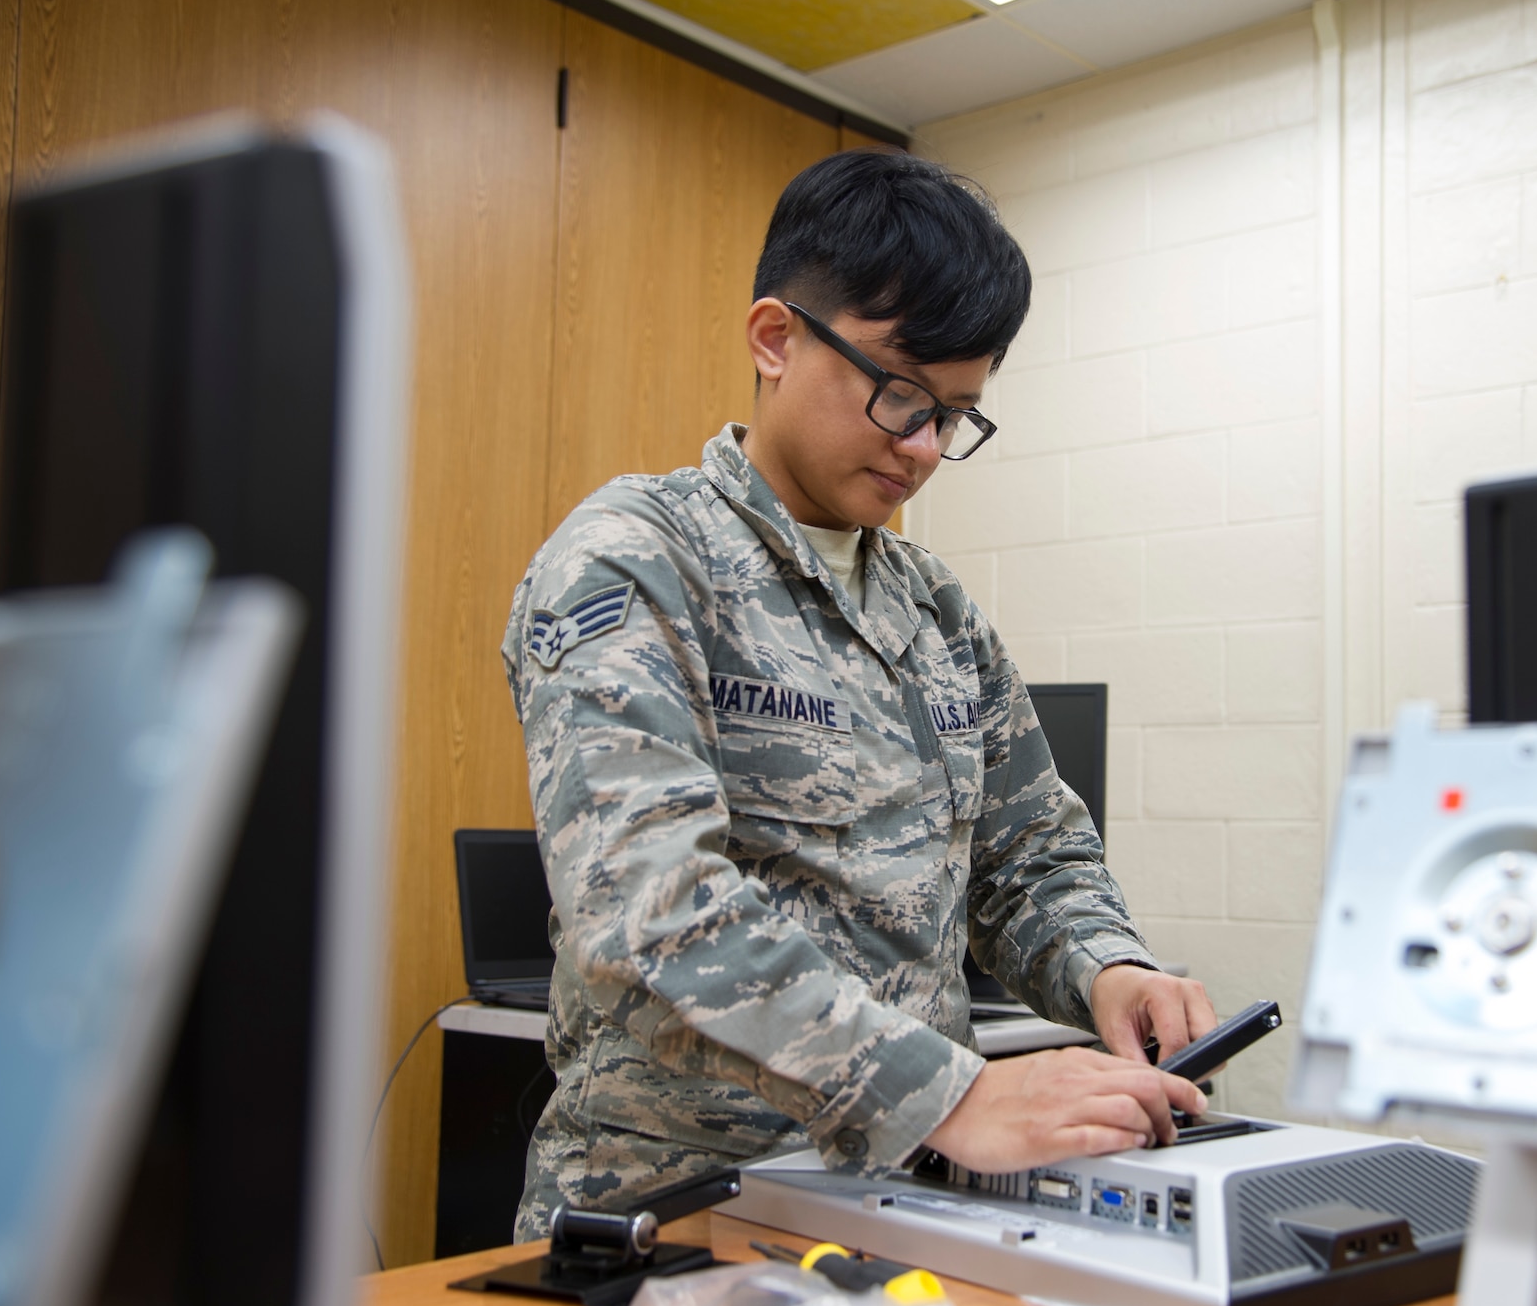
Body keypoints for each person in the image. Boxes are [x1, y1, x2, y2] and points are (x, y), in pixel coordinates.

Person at [502, 148, 1215, 1237]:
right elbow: (646, 918)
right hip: (670, 1218)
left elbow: (1027, 856)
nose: (923, 447)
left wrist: (1106, 965)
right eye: (898, 392)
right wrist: (952, 1092)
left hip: (904, 1204)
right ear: (776, 339)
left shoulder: (934, 609)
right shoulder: (632, 560)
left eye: (956, 413)